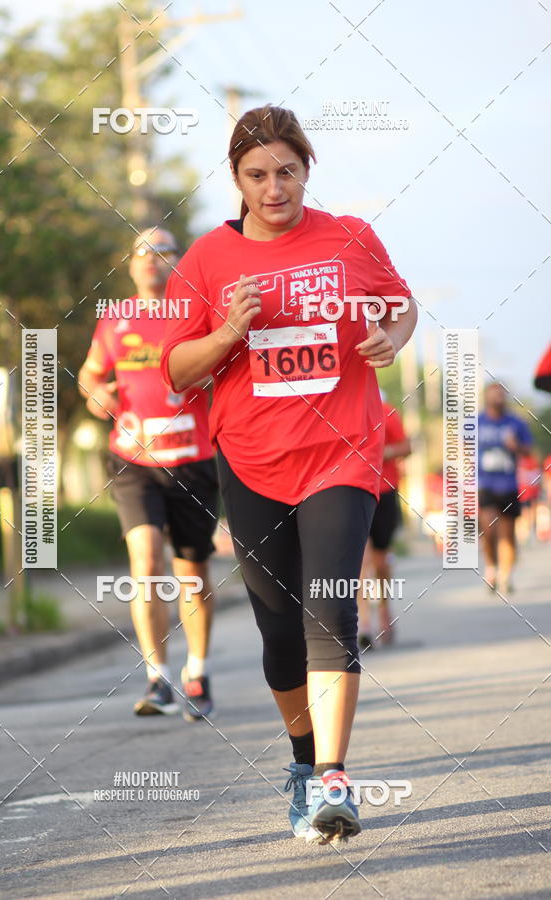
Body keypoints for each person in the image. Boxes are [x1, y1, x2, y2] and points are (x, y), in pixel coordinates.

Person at [160, 105, 417, 843]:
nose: (275, 188)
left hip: (342, 452)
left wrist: (390, 339)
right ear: (236, 178)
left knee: (330, 608)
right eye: (257, 174)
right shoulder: (207, 259)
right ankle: (305, 766)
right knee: (279, 634)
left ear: (307, 169)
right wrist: (229, 333)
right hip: (251, 461)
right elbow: (178, 369)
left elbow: (401, 305)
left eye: (287, 172)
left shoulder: (348, 238)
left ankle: (336, 775)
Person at [78, 228, 219, 722]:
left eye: (163, 252)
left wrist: (207, 372)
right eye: (142, 252)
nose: (152, 260)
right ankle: (157, 676)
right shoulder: (115, 319)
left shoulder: (198, 315)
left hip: (193, 460)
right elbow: (91, 374)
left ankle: (196, 673)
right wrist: (98, 395)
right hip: (133, 459)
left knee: (193, 574)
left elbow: (226, 370)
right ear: (131, 266)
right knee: (145, 561)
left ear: (178, 264)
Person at [357, 397, 410, 650]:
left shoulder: (386, 410)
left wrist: (380, 451)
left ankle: (385, 612)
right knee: (360, 561)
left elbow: (405, 446)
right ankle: (363, 625)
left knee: (380, 561)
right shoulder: (335, 407)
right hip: (352, 492)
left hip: (384, 491)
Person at [478, 382, 533, 594]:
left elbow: (528, 450)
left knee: (507, 533)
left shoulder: (516, 423)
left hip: (509, 485)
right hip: (486, 484)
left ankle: (505, 576)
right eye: (495, 395)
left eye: (502, 395)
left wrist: (516, 446)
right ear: (487, 397)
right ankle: (491, 568)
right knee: (489, 530)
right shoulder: (477, 422)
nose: (499, 398)